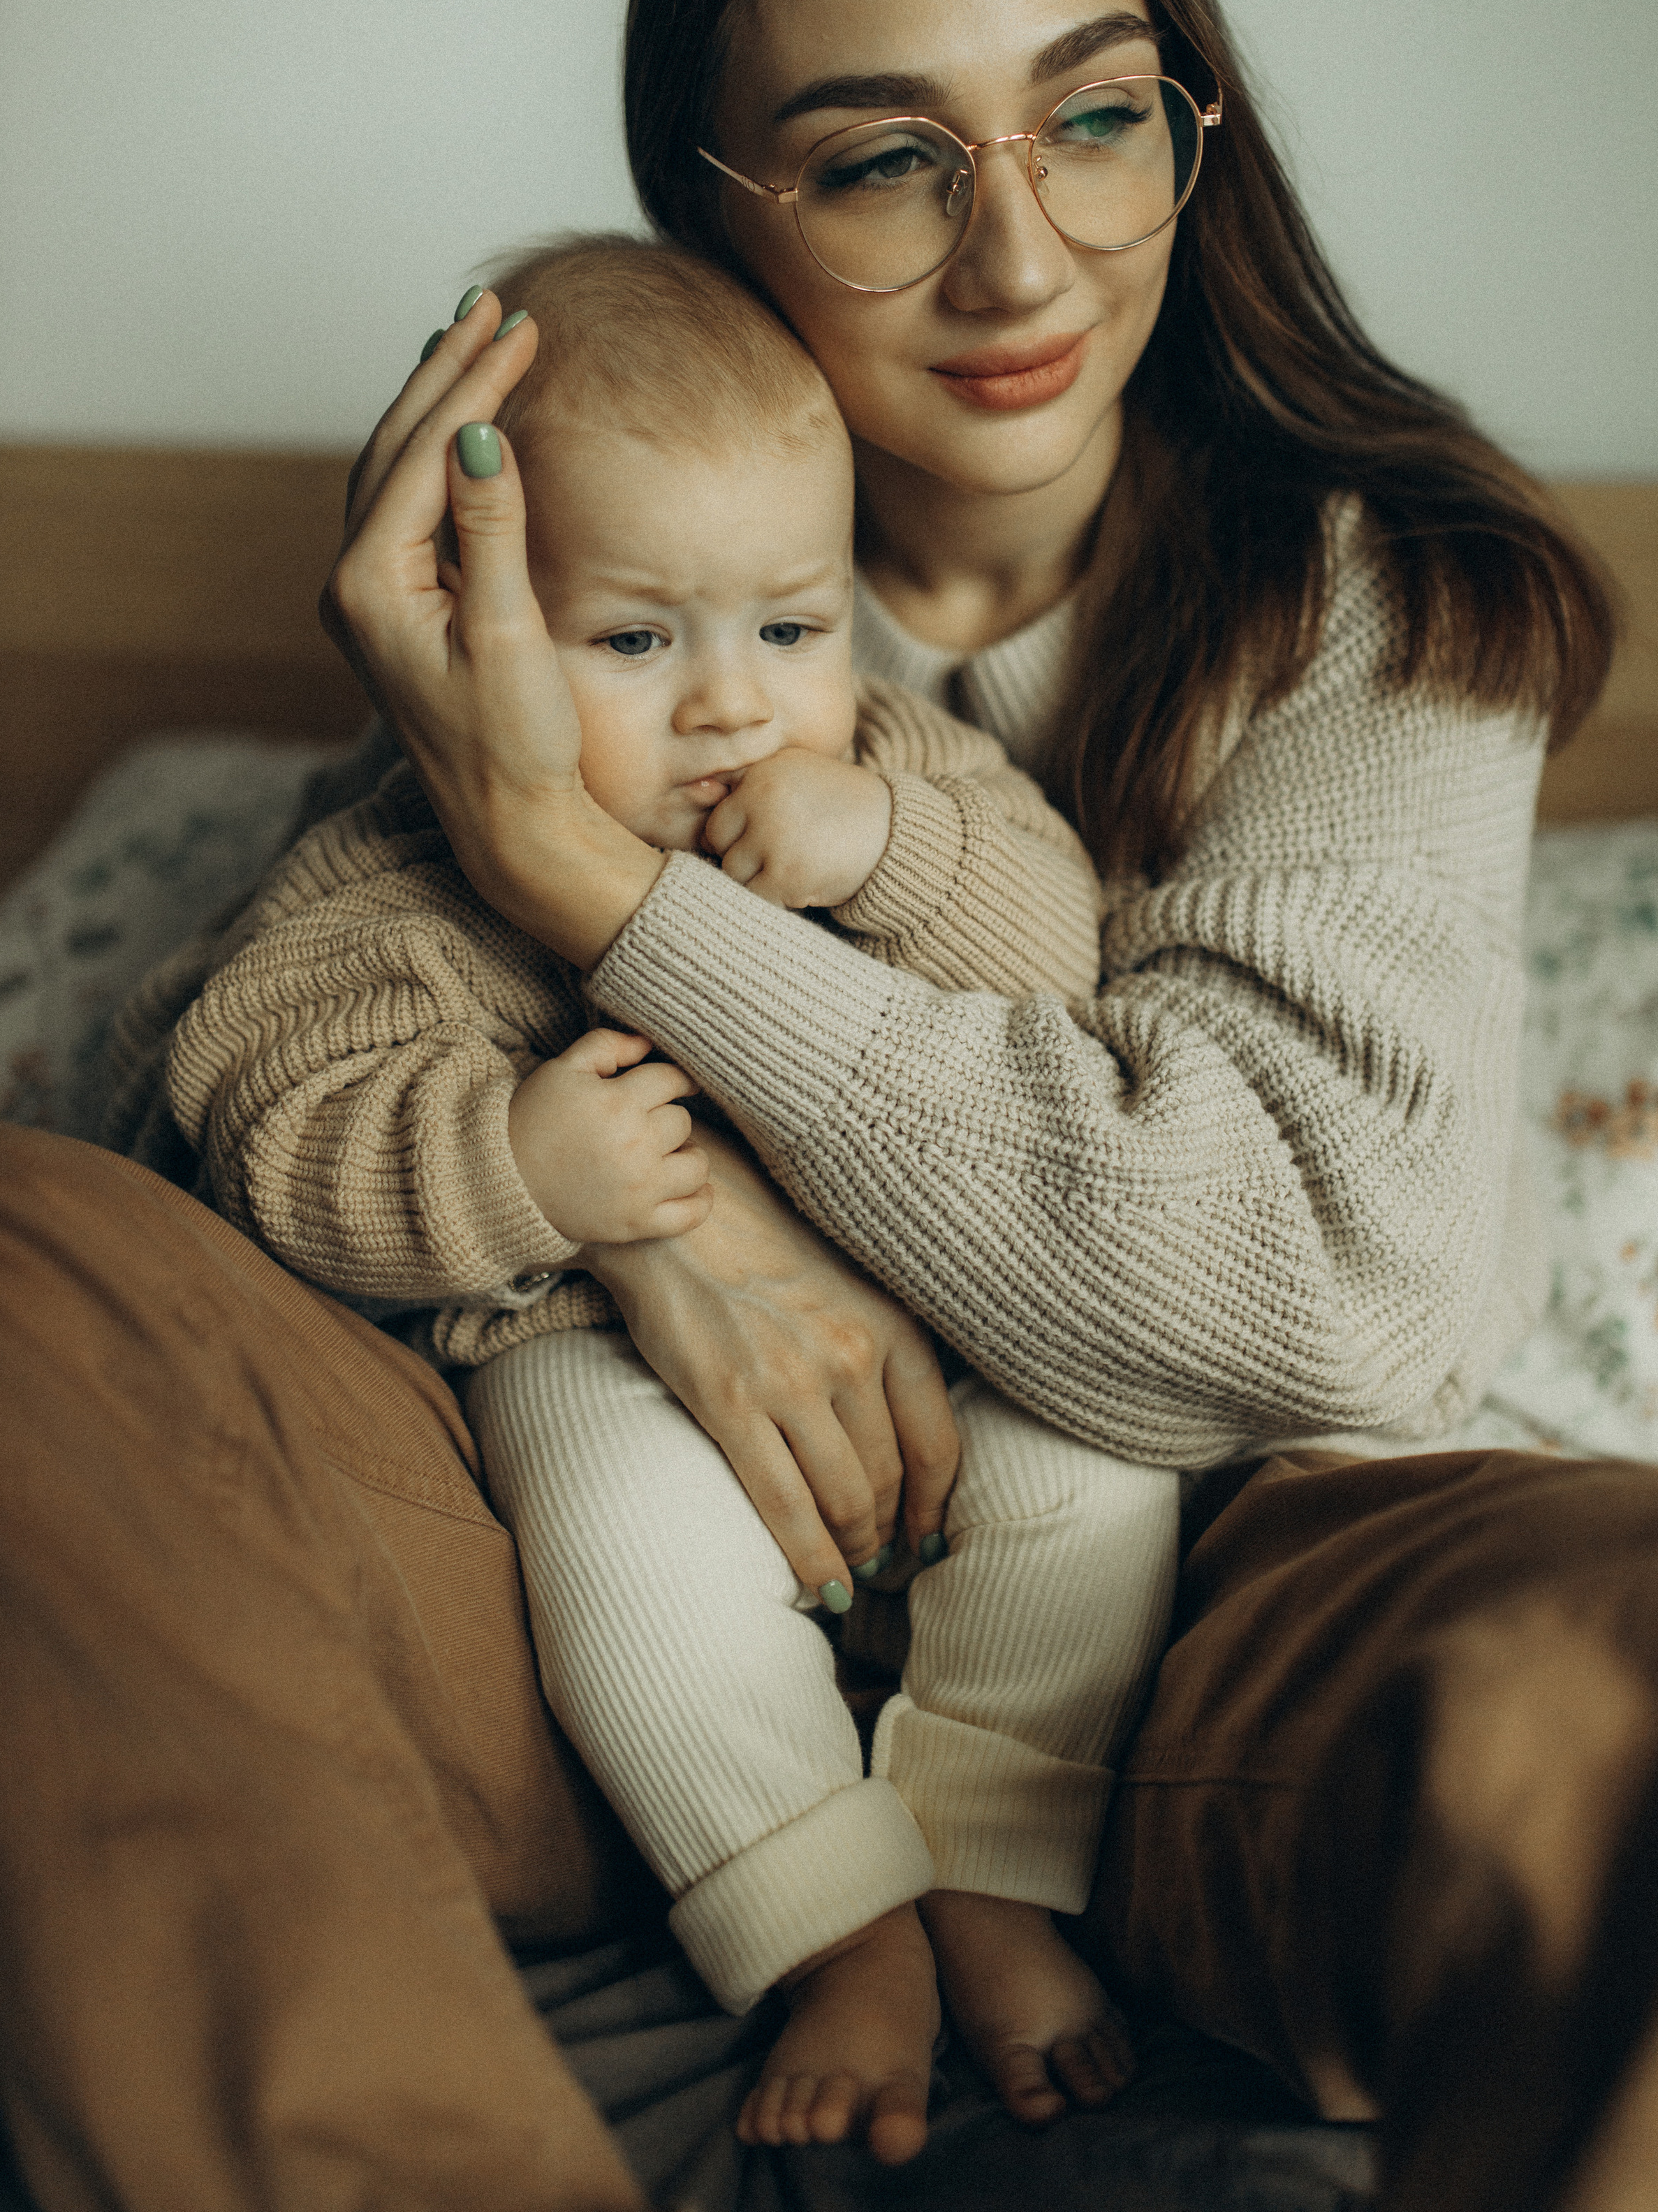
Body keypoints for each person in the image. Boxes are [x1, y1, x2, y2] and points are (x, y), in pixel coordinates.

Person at [0, 0, 1658, 2212]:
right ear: (706, 205)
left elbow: (1311, 1308)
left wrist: (588, 876)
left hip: (1211, 1610)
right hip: (566, 1600)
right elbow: (267, 1143)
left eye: (1091, 113)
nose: (1022, 249)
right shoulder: (558, 614)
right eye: (878, 163)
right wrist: (645, 1212)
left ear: (1190, 124)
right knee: (21, 1264)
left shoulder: (1377, 613)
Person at [140, 231, 1180, 2158]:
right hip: (589, 1350)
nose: (732, 707)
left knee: (1105, 1475)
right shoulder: (395, 885)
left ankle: (994, 1851)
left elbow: (1063, 960)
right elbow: (261, 1126)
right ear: (470, 629)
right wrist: (517, 1163)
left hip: (948, 1324)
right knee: (622, 1555)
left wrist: (884, 850)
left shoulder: (897, 769)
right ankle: (827, 1920)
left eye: (790, 627)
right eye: (635, 641)